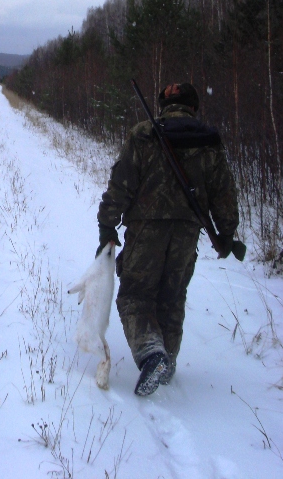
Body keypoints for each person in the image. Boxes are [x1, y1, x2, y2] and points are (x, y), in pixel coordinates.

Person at [96, 82, 239, 396]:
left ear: (163, 105)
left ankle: (152, 353)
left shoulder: (144, 133)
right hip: (187, 233)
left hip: (146, 230)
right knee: (172, 297)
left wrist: (107, 224)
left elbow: (121, 184)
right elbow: (224, 191)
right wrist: (227, 232)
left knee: (135, 295)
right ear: (194, 106)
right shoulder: (209, 140)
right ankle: (167, 362)